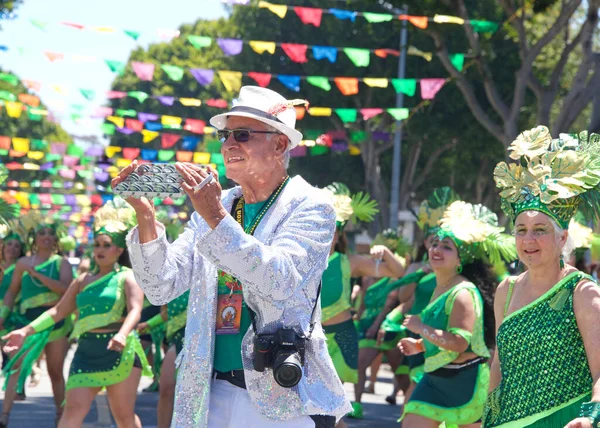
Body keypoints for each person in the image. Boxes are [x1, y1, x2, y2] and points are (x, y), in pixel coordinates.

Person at [115, 86, 351, 427]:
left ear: (280, 144)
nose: (228, 145)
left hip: (279, 397)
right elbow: (160, 286)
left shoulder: (311, 206)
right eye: (224, 135)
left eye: (242, 134)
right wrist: (146, 219)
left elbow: (279, 280)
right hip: (208, 393)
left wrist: (215, 217)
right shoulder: (217, 205)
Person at [483, 127, 600, 427]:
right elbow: (498, 363)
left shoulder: (581, 291)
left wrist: (591, 417)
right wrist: (488, 415)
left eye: (540, 231)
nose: (528, 240)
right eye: (521, 231)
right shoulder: (505, 289)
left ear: (562, 238)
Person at [2, 199, 151, 427]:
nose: (99, 250)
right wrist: (25, 331)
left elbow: (135, 310)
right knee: (72, 413)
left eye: (106, 244)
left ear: (119, 249)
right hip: (86, 352)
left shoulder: (127, 277)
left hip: (121, 352)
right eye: (97, 245)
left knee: (123, 417)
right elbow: (58, 311)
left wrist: (122, 334)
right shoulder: (83, 280)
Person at [399, 200, 516, 427]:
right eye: (435, 244)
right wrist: (421, 345)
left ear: (460, 259)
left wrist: (421, 328)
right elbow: (446, 336)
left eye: (447, 247)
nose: (437, 250)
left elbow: (461, 343)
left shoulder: (463, 292)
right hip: (434, 378)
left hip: (465, 381)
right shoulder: (441, 286)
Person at [321, 183, 404, 424]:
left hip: (342, 335)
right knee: (317, 405)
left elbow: (397, 272)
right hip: (313, 337)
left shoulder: (351, 262)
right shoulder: (303, 259)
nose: (329, 235)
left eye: (334, 230)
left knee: (330, 403)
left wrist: (386, 252)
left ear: (339, 235)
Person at [379, 187, 460, 404]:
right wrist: (417, 275)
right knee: (416, 381)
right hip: (416, 329)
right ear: (425, 243)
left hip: (442, 329)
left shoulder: (455, 272)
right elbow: (405, 298)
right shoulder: (416, 266)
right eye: (433, 242)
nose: (437, 247)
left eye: (444, 243)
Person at [0, 212, 74, 426]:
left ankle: (61, 417)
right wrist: (3, 315)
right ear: (34, 238)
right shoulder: (23, 263)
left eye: (50, 233)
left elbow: (65, 290)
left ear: (55, 239)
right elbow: (12, 292)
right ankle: (4, 415)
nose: (46, 237)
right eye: (41, 233)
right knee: (16, 366)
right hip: (28, 322)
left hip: (55, 323)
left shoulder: (62, 263)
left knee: (55, 371)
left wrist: (38, 275)